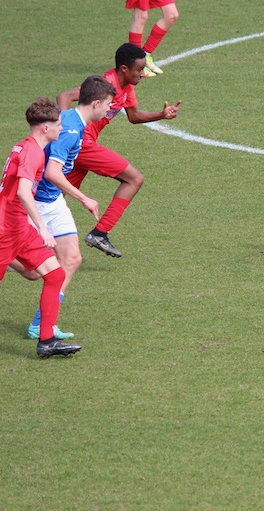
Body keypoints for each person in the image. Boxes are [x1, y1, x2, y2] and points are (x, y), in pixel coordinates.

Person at [57, 43, 182, 258]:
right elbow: (64, 97)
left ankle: (16, 245)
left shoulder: (128, 87)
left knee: (53, 196)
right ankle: (100, 233)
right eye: (139, 69)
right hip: (83, 144)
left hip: (80, 149)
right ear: (124, 69)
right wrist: (66, 131)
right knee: (134, 179)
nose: (143, 74)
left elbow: (133, 117)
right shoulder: (106, 84)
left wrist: (161, 115)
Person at [18, 77, 115, 340]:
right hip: (38, 202)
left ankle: (41, 324)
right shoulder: (70, 130)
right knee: (31, 272)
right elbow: (52, 172)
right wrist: (84, 198)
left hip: (53, 201)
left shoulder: (73, 120)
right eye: (108, 105)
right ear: (96, 103)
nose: (110, 110)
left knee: (71, 259)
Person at [0, 99, 80, 358]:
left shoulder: (26, 146)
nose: (61, 128)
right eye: (58, 124)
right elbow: (23, 191)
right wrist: (44, 228)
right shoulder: (33, 152)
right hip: (5, 229)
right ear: (45, 128)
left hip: (19, 226)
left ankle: (46, 341)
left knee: (54, 275)